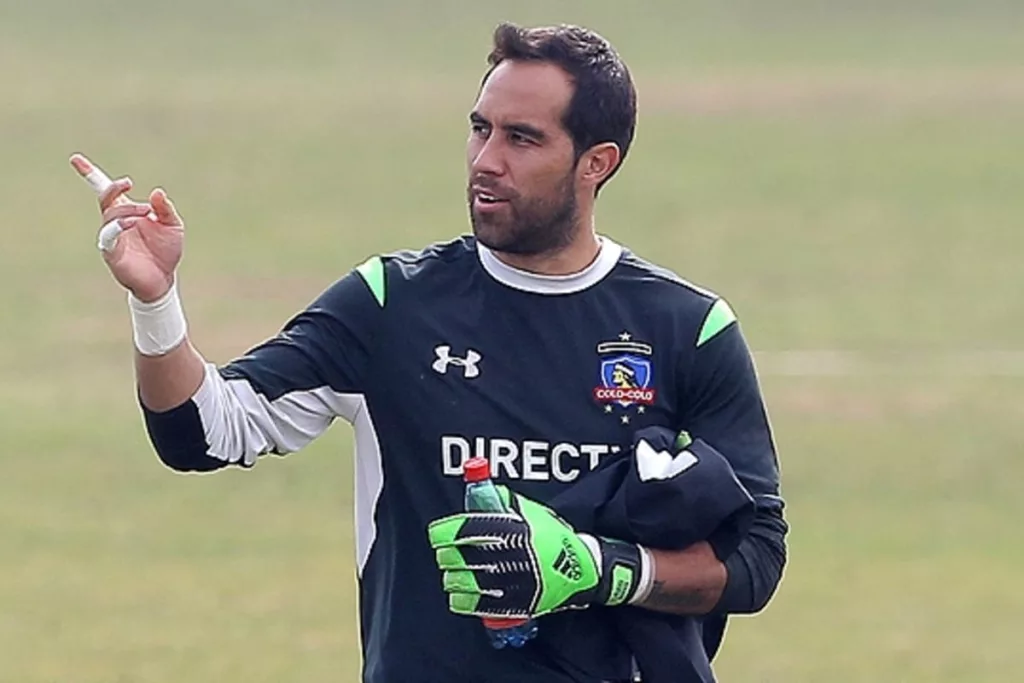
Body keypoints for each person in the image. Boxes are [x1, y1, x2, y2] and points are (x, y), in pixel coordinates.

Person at [80, 22, 787, 683]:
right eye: (480, 129)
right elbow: (199, 431)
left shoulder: (685, 328)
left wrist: (600, 568)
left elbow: (755, 558)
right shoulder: (392, 303)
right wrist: (155, 300)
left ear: (596, 162)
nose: (487, 161)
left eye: (522, 138)